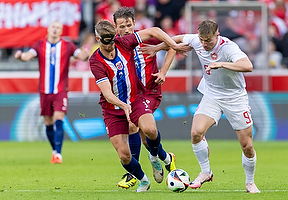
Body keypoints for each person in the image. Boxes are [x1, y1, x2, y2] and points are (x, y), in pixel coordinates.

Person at [141, 19, 260, 193]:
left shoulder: (228, 47)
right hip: (211, 95)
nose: (204, 44)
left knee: (247, 146)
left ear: (217, 36)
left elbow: (248, 66)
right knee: (196, 133)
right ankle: (206, 172)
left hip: (235, 98)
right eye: (201, 40)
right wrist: (157, 48)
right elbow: (177, 40)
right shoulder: (197, 40)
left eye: (208, 41)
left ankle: (250, 182)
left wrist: (221, 64)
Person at [89, 20, 188, 192]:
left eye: (113, 40)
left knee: (150, 130)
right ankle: (142, 179)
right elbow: (107, 94)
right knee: (124, 155)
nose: (112, 46)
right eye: (107, 42)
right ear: (98, 39)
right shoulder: (95, 61)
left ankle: (155, 156)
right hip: (112, 109)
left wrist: (174, 46)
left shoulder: (123, 42)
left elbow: (154, 31)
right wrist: (122, 105)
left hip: (136, 99)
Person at [113, 7, 176, 189]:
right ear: (116, 27)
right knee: (144, 138)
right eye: (121, 26)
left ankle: (134, 174)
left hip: (150, 92)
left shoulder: (146, 37)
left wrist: (163, 71)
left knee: (136, 126)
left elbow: (172, 45)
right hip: (131, 95)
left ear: (134, 23)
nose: (126, 29)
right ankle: (164, 157)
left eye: (128, 25)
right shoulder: (116, 44)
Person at [14, 21, 90, 164]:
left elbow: (80, 55)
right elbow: (27, 56)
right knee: (48, 122)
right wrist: (20, 56)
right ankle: (54, 150)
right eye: (53, 27)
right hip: (44, 91)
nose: (55, 30)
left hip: (61, 90)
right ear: (48, 29)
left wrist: (85, 54)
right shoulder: (39, 45)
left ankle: (58, 154)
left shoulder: (68, 46)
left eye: (58, 28)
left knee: (58, 117)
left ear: (61, 31)